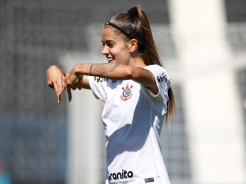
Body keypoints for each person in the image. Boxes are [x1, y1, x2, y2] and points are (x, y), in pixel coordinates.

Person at [46, 5, 175, 184]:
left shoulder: (156, 74)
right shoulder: (109, 83)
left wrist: (80, 67)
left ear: (132, 45)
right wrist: (53, 70)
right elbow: (68, 79)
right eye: (103, 45)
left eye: (110, 44)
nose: (104, 51)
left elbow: (132, 73)